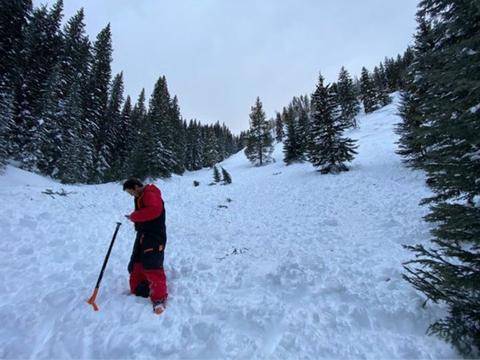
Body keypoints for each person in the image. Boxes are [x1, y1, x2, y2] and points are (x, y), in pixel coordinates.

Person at [123, 177, 168, 314]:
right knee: (136, 262)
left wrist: (134, 217)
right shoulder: (141, 196)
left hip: (154, 236)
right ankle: (142, 286)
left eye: (131, 192)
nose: (131, 195)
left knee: (152, 264)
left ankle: (159, 299)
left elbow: (154, 210)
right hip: (143, 234)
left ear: (136, 186)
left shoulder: (150, 194)